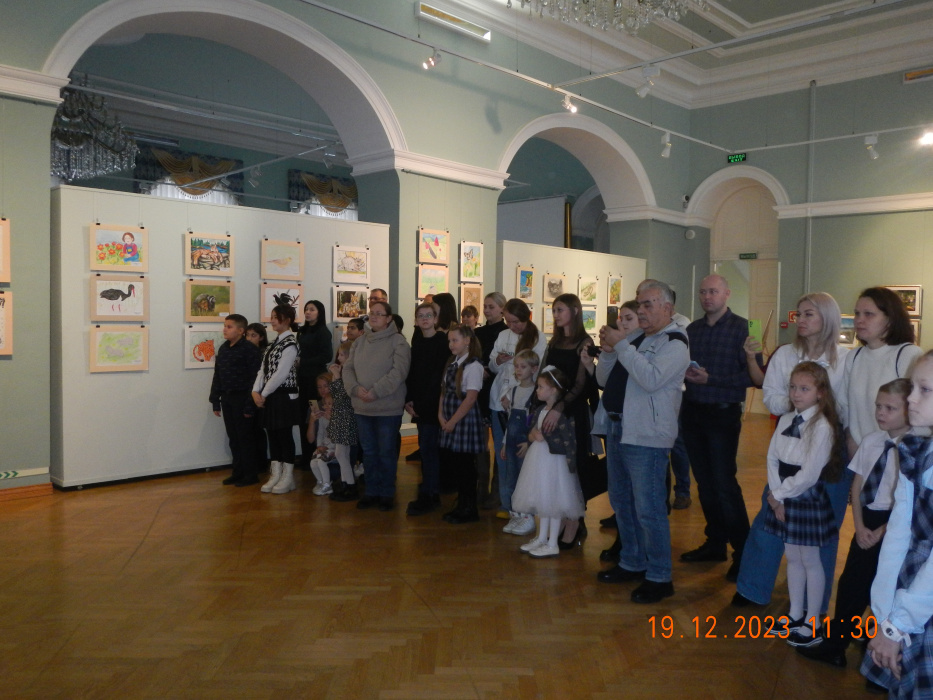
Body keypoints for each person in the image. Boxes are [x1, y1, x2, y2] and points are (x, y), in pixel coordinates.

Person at [734, 292, 850, 609]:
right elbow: (771, 398)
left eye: (809, 314)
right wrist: (801, 402)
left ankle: (812, 605)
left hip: (830, 444)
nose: (801, 319)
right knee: (771, 514)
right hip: (789, 439)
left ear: (827, 318)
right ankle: (752, 588)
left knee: (823, 527)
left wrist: (813, 409)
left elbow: (847, 408)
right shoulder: (786, 354)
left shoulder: (845, 359)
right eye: (799, 314)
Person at [800, 378, 911, 667]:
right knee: (852, 583)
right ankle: (836, 644)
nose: (880, 413)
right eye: (878, 406)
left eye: (890, 408)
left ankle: (877, 651)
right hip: (867, 520)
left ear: (909, 410)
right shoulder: (872, 441)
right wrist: (860, 526)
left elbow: (907, 502)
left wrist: (883, 531)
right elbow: (858, 484)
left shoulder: (914, 448)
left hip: (894, 524)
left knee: (885, 586)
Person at [595, 280, 690, 604]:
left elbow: (650, 379)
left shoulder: (675, 343)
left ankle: (660, 576)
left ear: (668, 308)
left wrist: (622, 346)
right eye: (640, 304)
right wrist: (609, 352)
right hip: (619, 428)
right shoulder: (637, 338)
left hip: (647, 435)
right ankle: (632, 561)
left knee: (649, 509)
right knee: (622, 501)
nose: (642, 310)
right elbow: (603, 379)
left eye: (649, 304)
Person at [862, 353, 933, 697]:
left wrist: (899, 624)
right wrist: (883, 615)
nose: (910, 399)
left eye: (924, 390)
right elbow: (898, 533)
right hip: (910, 587)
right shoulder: (916, 451)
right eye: (912, 388)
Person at [761, 361, 844, 647]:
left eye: (804, 389)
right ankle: (795, 614)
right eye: (793, 387)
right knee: (792, 557)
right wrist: (775, 495)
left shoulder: (822, 426)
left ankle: (813, 621)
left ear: (820, 392)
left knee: (810, 559)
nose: (796, 393)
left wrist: (779, 495)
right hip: (782, 495)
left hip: (804, 495)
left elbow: (809, 474)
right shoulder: (786, 419)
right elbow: (772, 458)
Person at [680, 274, 753, 581]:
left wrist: (712, 379)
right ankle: (715, 543)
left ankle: (744, 553)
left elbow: (754, 377)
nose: (707, 296)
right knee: (705, 484)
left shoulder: (747, 328)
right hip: (693, 412)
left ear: (727, 294)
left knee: (724, 484)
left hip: (723, 415)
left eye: (713, 291)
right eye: (703, 292)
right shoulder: (691, 330)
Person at [542, 293, 598, 548]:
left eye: (560, 310)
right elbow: (546, 375)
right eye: (554, 310)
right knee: (557, 468)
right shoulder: (555, 341)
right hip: (554, 408)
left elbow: (581, 384)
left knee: (574, 467)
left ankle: (575, 519)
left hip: (573, 412)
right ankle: (565, 517)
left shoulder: (584, 342)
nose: (556, 315)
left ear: (575, 311)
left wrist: (559, 407)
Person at [343, 300, 410, 511]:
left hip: (387, 408)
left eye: (379, 313)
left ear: (389, 318)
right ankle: (371, 492)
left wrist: (375, 391)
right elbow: (348, 369)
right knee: (369, 452)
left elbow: (399, 372)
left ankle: (386, 493)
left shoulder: (398, 342)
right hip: (362, 407)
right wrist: (355, 389)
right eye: (372, 313)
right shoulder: (360, 342)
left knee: (386, 452)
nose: (373, 316)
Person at [512, 366, 585, 558]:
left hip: (555, 462)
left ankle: (553, 542)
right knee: (543, 501)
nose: (537, 390)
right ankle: (541, 537)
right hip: (539, 460)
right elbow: (532, 430)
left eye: (541, 387)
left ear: (553, 390)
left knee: (554, 502)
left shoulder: (562, 413)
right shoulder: (540, 410)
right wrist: (533, 435)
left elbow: (568, 439)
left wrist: (546, 437)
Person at [844, 287, 922, 458]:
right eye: (857, 313)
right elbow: (846, 406)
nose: (859, 320)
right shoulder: (854, 356)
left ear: (890, 319)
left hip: (898, 452)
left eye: (868, 314)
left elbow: (917, 409)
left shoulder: (907, 354)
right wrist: (851, 439)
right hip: (861, 451)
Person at [488, 299, 548, 515]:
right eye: (508, 321)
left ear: (526, 317)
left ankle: (523, 507)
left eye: (516, 322)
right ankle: (507, 504)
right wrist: (498, 361)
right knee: (502, 453)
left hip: (523, 403)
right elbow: (492, 365)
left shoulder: (538, 337)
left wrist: (511, 393)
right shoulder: (503, 335)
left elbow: (533, 372)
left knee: (522, 456)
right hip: (499, 401)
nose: (511, 326)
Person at [404, 302, 450, 515]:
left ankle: (430, 493)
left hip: (435, 404)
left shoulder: (442, 342)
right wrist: (409, 399)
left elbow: (439, 377)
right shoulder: (417, 342)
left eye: (428, 315)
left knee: (431, 450)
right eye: (421, 315)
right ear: (416, 320)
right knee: (426, 449)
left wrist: (427, 402)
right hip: (421, 404)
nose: (424, 319)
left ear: (435, 319)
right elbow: (413, 374)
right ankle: (429, 490)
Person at [438, 325, 486, 524]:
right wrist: (440, 415)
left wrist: (453, 421)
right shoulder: (452, 362)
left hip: (463, 420)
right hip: (450, 418)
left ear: (467, 341)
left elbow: (471, 398)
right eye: (449, 341)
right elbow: (443, 392)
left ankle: (469, 507)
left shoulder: (473, 365)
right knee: (457, 465)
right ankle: (461, 504)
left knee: (466, 466)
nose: (451, 344)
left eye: (455, 340)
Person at [252, 304, 301, 495]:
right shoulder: (273, 344)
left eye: (275, 317)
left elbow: (281, 374)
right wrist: (255, 392)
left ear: (287, 320)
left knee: (284, 436)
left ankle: (288, 476)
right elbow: (262, 370)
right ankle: (276, 473)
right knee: (272, 435)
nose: (272, 321)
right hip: (271, 395)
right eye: (271, 317)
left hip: (284, 396)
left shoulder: (291, 343)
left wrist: (263, 394)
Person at [209, 314, 262, 487]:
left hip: (243, 398)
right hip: (227, 398)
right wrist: (215, 399)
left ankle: (250, 474)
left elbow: (255, 378)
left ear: (240, 331)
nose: (225, 329)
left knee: (245, 438)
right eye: (225, 326)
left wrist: (249, 405)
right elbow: (218, 375)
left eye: (229, 326)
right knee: (234, 437)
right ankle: (238, 472)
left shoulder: (249, 350)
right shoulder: (224, 348)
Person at [500, 349, 540, 537]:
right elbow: (510, 421)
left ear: (534, 369)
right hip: (511, 443)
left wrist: (529, 444)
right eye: (516, 366)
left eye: (523, 367)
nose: (518, 370)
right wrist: (504, 442)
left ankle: (527, 517)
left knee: (525, 481)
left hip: (526, 443)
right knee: (511, 480)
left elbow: (534, 422)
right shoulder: (513, 391)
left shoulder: (536, 393)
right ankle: (515, 514)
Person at [475, 292, 508, 511]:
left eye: (491, 307)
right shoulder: (478, 332)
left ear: (502, 309)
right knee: (480, 443)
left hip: (497, 389)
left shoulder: (506, 332)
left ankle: (497, 491)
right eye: (485, 306)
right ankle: (480, 488)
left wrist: (490, 368)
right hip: (479, 389)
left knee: (498, 442)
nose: (487, 310)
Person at [296, 300, 333, 465]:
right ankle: (305, 456)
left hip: (315, 382)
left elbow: (326, 356)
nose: (308, 312)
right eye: (306, 309)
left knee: (315, 416)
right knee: (302, 418)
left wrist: (303, 362)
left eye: (312, 309)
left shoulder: (323, 332)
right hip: (302, 380)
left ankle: (315, 455)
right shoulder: (302, 331)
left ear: (320, 312)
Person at [326, 343, 361, 501]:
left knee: (342, 453)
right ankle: (346, 484)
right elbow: (335, 394)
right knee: (342, 454)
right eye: (339, 355)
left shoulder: (352, 372)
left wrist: (337, 376)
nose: (339, 358)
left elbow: (343, 395)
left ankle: (350, 486)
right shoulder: (342, 371)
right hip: (340, 416)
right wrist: (335, 376)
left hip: (346, 417)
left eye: (342, 355)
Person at [307, 393, 337, 495]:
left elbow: (338, 437)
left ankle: (327, 484)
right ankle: (320, 481)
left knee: (321, 461)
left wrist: (331, 420)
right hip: (324, 446)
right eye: (325, 404)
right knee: (313, 461)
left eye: (330, 404)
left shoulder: (338, 419)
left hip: (335, 448)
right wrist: (319, 446)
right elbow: (320, 433)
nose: (327, 406)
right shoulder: (322, 418)